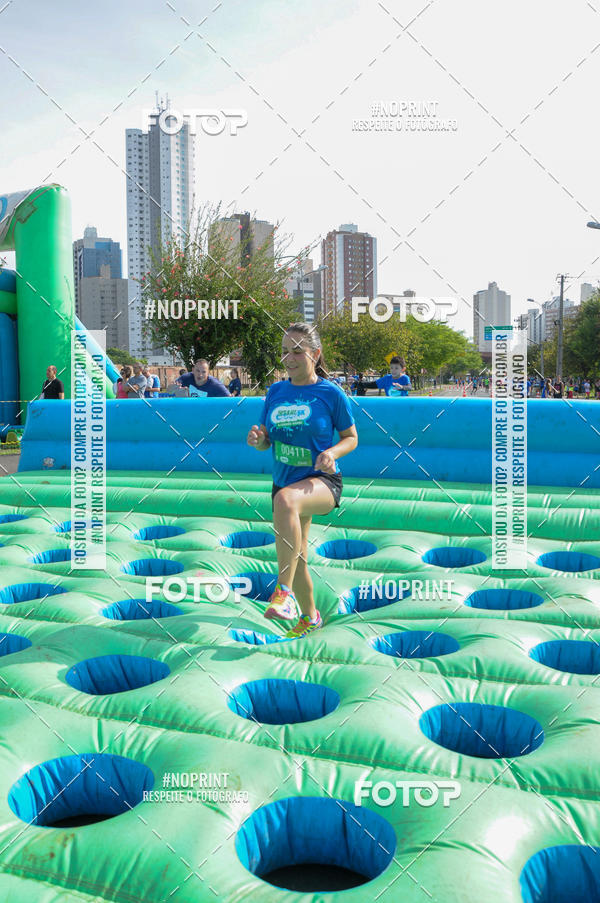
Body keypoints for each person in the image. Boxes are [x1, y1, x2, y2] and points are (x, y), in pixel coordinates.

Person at [247, 322, 358, 639]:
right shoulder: (276, 391)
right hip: (284, 481)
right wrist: (259, 440)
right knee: (297, 557)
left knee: (286, 502)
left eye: (297, 351)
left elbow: (351, 438)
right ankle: (311, 617)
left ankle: (283, 594)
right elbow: (267, 439)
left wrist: (333, 453)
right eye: (285, 352)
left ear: (315, 354)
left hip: (322, 482)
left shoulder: (330, 393)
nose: (289, 358)